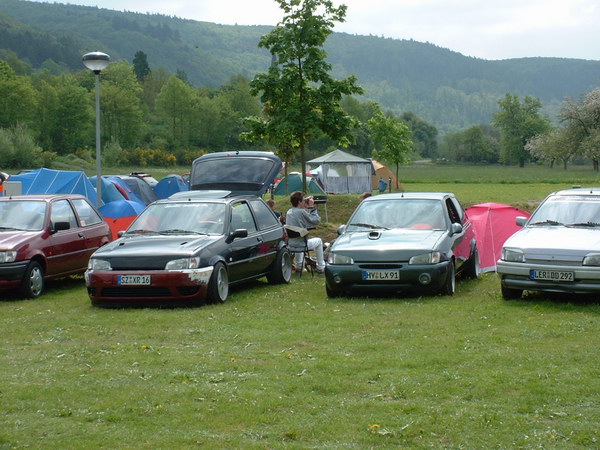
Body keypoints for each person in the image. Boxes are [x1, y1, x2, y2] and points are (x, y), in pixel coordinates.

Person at [285, 191, 326, 274]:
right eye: (303, 200)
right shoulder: (301, 212)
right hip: (302, 245)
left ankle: (299, 267)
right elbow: (316, 221)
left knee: (299, 237)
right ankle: (321, 267)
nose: (305, 201)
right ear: (299, 202)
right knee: (319, 241)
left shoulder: (289, 212)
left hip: (291, 244)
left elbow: (300, 220)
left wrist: (304, 206)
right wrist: (312, 207)